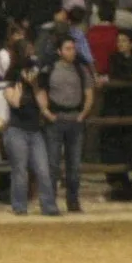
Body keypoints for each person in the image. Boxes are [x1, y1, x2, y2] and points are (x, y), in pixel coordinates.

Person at [40, 34, 95, 213]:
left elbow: (89, 92)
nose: (72, 52)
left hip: (75, 120)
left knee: (74, 165)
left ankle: (73, 201)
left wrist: (83, 113)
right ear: (59, 51)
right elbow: (40, 90)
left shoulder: (81, 69)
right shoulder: (50, 69)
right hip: (56, 119)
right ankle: (50, 203)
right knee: (53, 164)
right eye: (68, 48)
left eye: (73, 48)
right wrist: (47, 113)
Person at [3, 48, 58, 216]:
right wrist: (22, 84)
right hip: (16, 131)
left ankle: (49, 206)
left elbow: (43, 106)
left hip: (35, 132)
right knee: (20, 170)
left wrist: (34, 86)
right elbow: (16, 103)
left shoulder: (38, 87)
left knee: (43, 170)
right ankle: (19, 206)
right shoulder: (11, 85)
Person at [100, 30, 132, 201]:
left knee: (129, 139)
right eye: (119, 40)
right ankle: (117, 180)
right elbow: (116, 74)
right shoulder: (115, 58)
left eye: (124, 41)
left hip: (129, 107)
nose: (120, 43)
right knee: (113, 142)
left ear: (131, 44)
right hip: (114, 107)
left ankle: (130, 176)